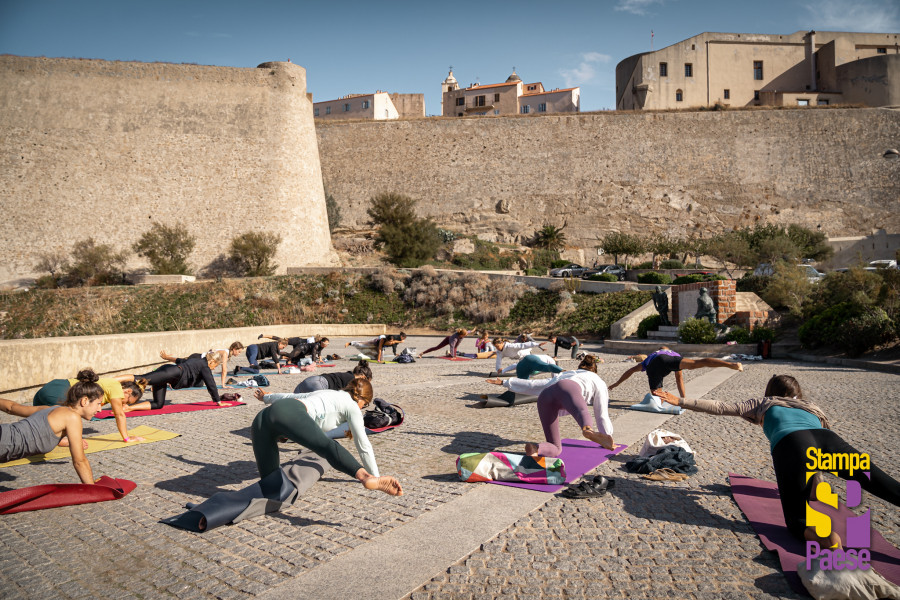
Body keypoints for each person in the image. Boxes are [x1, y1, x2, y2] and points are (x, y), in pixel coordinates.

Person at [655, 375, 900, 548]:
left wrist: (680, 401)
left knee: (797, 521)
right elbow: (819, 452)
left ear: (771, 390)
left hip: (792, 445)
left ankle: (825, 538)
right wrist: (816, 481)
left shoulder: (765, 402)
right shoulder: (811, 407)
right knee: (881, 482)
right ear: (797, 393)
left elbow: (721, 406)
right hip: (828, 439)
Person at [249, 379, 403, 497]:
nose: (362, 408)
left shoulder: (327, 393)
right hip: (289, 414)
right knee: (327, 447)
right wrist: (374, 476)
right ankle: (365, 477)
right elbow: (363, 446)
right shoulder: (352, 406)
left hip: (261, 421)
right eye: (365, 405)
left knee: (271, 487)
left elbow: (290, 396)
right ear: (363, 400)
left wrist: (266, 398)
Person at [1, 369, 107, 483]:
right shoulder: (72, 417)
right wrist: (92, 489)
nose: (100, 409)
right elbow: (79, 461)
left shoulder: (50, 409)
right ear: (85, 401)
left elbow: (11, 407)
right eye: (98, 404)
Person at [522, 355, 615, 458]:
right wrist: (607, 435)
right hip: (568, 389)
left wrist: (505, 382)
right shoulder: (597, 380)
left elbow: (533, 384)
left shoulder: (567, 373)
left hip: (545, 396)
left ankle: (535, 448)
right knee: (582, 411)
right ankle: (588, 429)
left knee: (556, 448)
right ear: (594, 371)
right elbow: (601, 413)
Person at [33, 370, 146, 443]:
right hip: (62, 391)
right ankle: (60, 440)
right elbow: (119, 414)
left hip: (52, 386)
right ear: (128, 391)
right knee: (69, 417)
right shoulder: (116, 387)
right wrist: (126, 438)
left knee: (39, 420)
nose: (125, 404)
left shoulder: (110, 384)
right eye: (128, 401)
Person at [607, 346, 742, 399]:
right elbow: (679, 379)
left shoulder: (649, 358)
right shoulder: (673, 353)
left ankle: (663, 397)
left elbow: (629, 371)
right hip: (671, 361)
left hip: (655, 365)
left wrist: (616, 384)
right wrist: (684, 399)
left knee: (657, 397)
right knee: (697, 363)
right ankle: (731, 364)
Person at [125, 352, 224, 410]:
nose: (214, 368)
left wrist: (167, 357)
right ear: (212, 361)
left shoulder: (196, 361)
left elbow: (179, 360)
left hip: (168, 374)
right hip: (171, 372)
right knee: (140, 378)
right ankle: (113, 380)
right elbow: (211, 384)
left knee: (158, 404)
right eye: (215, 365)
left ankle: (129, 408)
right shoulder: (204, 366)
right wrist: (218, 401)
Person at [160, 342, 244, 388]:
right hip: (197, 358)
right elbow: (224, 370)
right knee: (182, 366)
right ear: (234, 349)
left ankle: (168, 363)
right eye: (239, 351)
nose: (239, 354)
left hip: (200, 362)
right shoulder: (225, 353)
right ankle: (166, 376)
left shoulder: (226, 353)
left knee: (199, 384)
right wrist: (223, 385)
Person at [293, 360, 372, 393]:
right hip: (320, 384)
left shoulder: (346, 375)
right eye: (367, 382)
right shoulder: (352, 380)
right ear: (363, 377)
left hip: (310, 380)